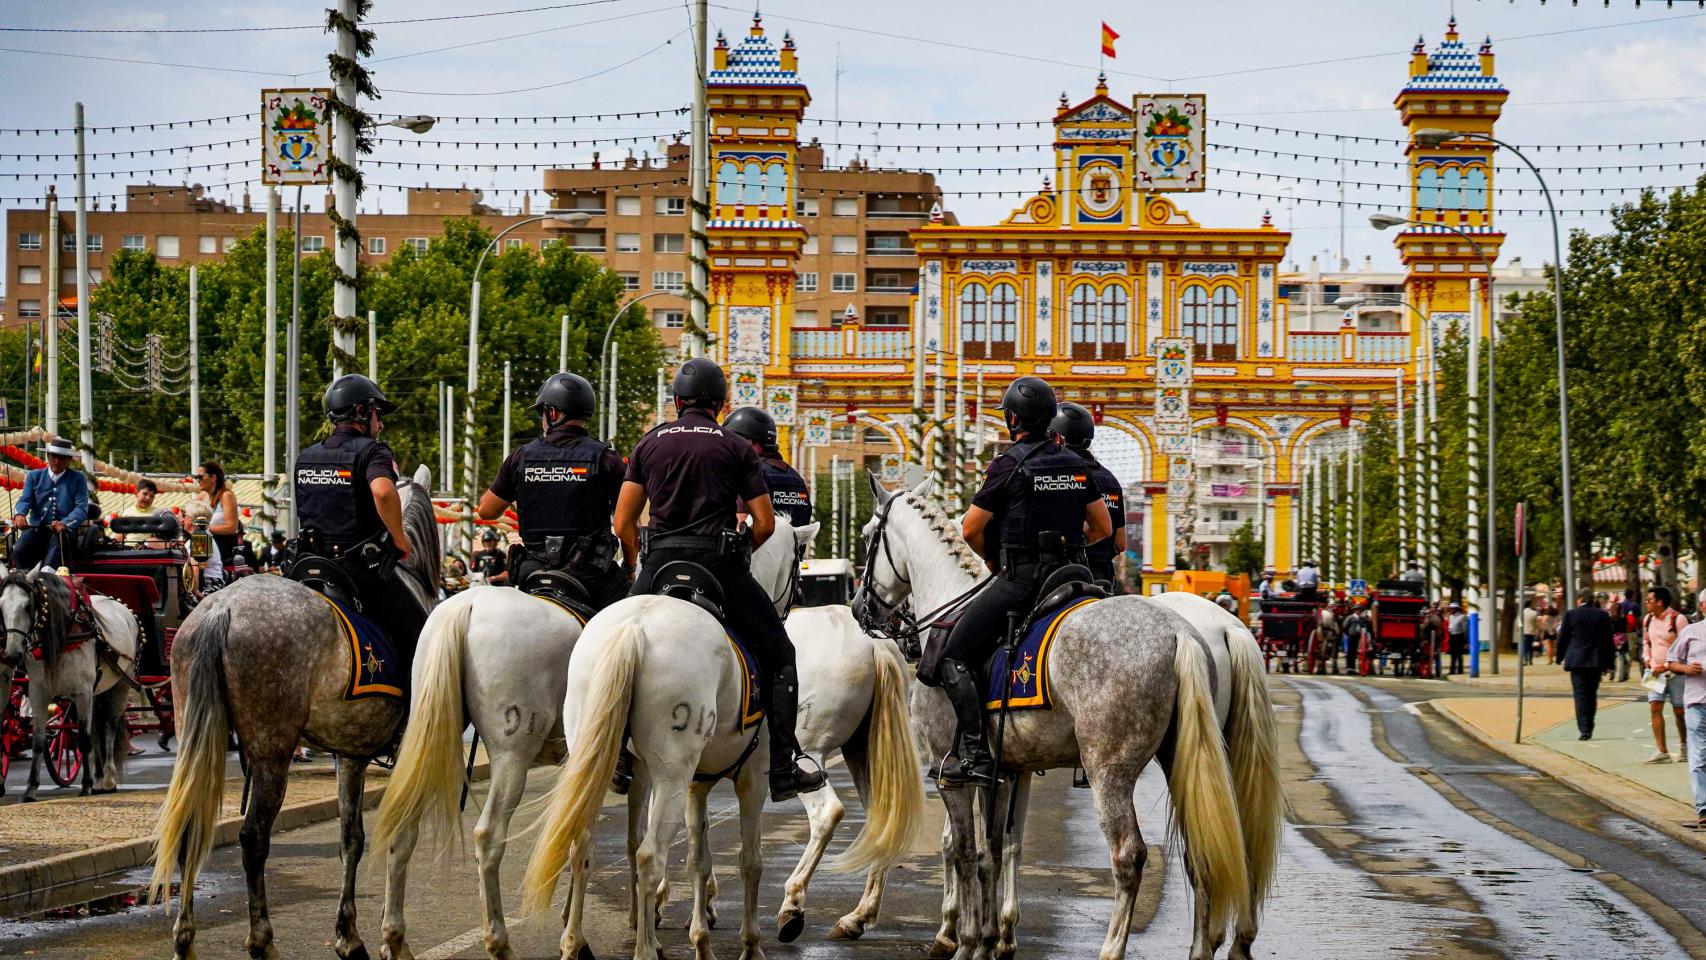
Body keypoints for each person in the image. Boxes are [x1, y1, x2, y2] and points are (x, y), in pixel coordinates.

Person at [615, 358, 824, 802]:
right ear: (721, 403)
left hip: (659, 565)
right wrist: (742, 547)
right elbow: (766, 523)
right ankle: (784, 768)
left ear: (676, 401)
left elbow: (621, 522)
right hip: (718, 566)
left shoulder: (649, 444)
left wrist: (643, 551)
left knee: (609, 639)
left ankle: (616, 756)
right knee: (780, 654)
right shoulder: (736, 447)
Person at [933, 376, 1112, 788]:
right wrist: (1067, 546)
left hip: (1024, 579)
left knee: (955, 656)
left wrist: (993, 560)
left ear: (1012, 418)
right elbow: (1102, 528)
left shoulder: (1008, 463)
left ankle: (977, 754)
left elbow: (970, 529)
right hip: (1073, 575)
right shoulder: (1076, 464)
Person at [291, 374, 426, 658]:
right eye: (378, 414)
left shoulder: (306, 456)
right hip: (356, 569)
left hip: (305, 565)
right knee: (422, 638)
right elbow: (383, 492)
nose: (381, 423)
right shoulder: (372, 452)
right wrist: (400, 538)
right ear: (362, 412)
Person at [478, 372, 627, 610]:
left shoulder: (520, 458)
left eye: (542, 412)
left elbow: (486, 510)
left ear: (553, 412)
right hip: (590, 574)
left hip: (533, 570)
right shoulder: (606, 459)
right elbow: (625, 523)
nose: (542, 419)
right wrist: (629, 566)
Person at [1048, 401, 1126, 584]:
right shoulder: (1111, 480)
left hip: (1064, 576)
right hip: (1103, 579)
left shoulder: (1059, 475)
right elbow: (1121, 543)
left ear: (1057, 438)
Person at [724, 406, 814, 545]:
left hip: (758, 561)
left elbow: (740, 521)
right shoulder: (795, 477)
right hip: (790, 562)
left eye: (733, 442)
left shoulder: (751, 471)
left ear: (748, 441)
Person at [11, 438, 91, 569]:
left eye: (62, 458)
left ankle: (47, 577)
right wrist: (19, 514)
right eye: (54, 456)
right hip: (36, 529)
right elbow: (25, 500)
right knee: (19, 550)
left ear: (69, 460)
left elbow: (81, 509)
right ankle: (23, 581)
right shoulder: (34, 476)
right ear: (48, 456)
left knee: (54, 553)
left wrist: (65, 523)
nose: (57, 461)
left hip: (63, 532)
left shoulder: (78, 478)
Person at [1556, 589, 1617, 740]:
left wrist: (1559, 657)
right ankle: (1590, 723)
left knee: (1580, 695)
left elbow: (1562, 638)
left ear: (1580, 599)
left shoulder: (1571, 615)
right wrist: (1610, 663)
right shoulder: (1603, 615)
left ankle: (1584, 729)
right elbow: (1609, 641)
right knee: (1592, 694)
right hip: (1596, 662)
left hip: (1577, 661)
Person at [1663, 618, 1706, 830]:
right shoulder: (1691, 631)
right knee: (1699, 757)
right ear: (1704, 607)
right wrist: (1687, 669)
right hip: (1697, 702)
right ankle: (1704, 808)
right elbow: (1671, 661)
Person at [1642, 586, 1689, 764]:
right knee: (1655, 706)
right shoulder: (1647, 619)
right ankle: (1661, 750)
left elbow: (1685, 649)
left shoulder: (1678, 619)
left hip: (1676, 672)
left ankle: (1684, 746)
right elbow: (1646, 642)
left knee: (1679, 710)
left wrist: (1667, 666)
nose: (1647, 603)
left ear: (1659, 602)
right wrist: (1647, 658)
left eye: (1650, 600)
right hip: (1654, 671)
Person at [193, 461, 241, 589]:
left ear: (213, 477)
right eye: (196, 477)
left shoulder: (226, 495)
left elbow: (232, 527)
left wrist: (204, 527)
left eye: (200, 477)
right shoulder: (202, 496)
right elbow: (189, 513)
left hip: (220, 546)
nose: (197, 480)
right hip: (202, 544)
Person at [119, 478, 167, 545]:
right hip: (128, 550)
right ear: (136, 493)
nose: (148, 498)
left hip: (149, 550)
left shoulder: (158, 513)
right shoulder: (127, 512)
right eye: (145, 494)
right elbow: (121, 535)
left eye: (152, 496)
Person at [1446, 603, 1468, 675]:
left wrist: (1465, 640)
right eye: (1450, 608)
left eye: (1452, 608)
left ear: (1456, 609)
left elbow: (1464, 629)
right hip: (1452, 636)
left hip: (1459, 636)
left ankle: (1460, 670)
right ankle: (1452, 670)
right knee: (1452, 655)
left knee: (1459, 654)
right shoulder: (1450, 616)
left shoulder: (1462, 617)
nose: (1450, 610)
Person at [1520, 597, 1540, 667]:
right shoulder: (1534, 613)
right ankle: (1530, 660)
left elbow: (1519, 622)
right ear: (1530, 604)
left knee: (1525, 646)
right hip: (1532, 632)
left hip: (1524, 632)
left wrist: (1519, 630)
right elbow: (1535, 623)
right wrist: (1536, 630)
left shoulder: (1521, 612)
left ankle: (1525, 660)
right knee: (1531, 647)